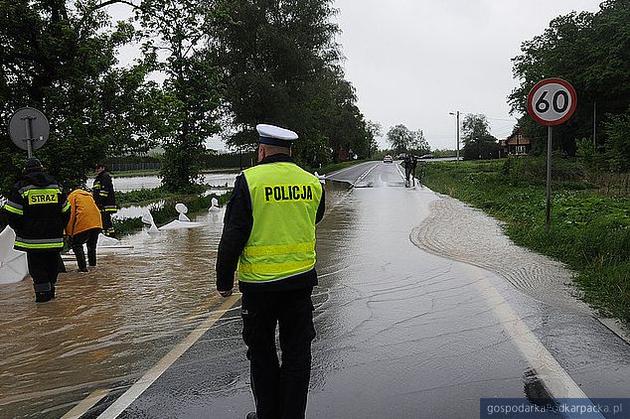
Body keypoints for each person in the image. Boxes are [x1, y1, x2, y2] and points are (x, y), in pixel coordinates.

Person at [216, 124, 325, 419]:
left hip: (259, 287)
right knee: (297, 352)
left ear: (261, 151)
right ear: (290, 151)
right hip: (300, 284)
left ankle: (266, 415)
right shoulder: (312, 182)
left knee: (261, 352)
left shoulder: (249, 181)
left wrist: (224, 280)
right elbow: (314, 217)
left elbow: (233, 234)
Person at [1, 158, 70, 302]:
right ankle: (51, 295)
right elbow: (66, 211)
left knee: (37, 269)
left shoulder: (21, 188)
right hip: (53, 238)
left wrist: (21, 230)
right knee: (52, 266)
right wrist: (58, 227)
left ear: (25, 171)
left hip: (32, 241)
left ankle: (44, 301)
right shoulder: (56, 186)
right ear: (42, 168)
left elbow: (12, 214)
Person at [66, 185, 103, 272]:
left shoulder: (72, 196)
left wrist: (69, 233)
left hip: (84, 223)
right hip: (97, 223)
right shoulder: (88, 196)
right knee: (91, 246)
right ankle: (93, 266)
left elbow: (71, 216)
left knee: (77, 245)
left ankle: (82, 269)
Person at [92, 163, 117, 235]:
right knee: (104, 220)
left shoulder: (105, 176)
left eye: (98, 168)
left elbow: (104, 191)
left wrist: (99, 201)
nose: (97, 170)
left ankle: (110, 235)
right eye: (96, 168)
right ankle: (108, 234)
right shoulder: (99, 178)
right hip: (102, 203)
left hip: (105, 204)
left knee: (105, 220)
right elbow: (97, 190)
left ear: (103, 168)